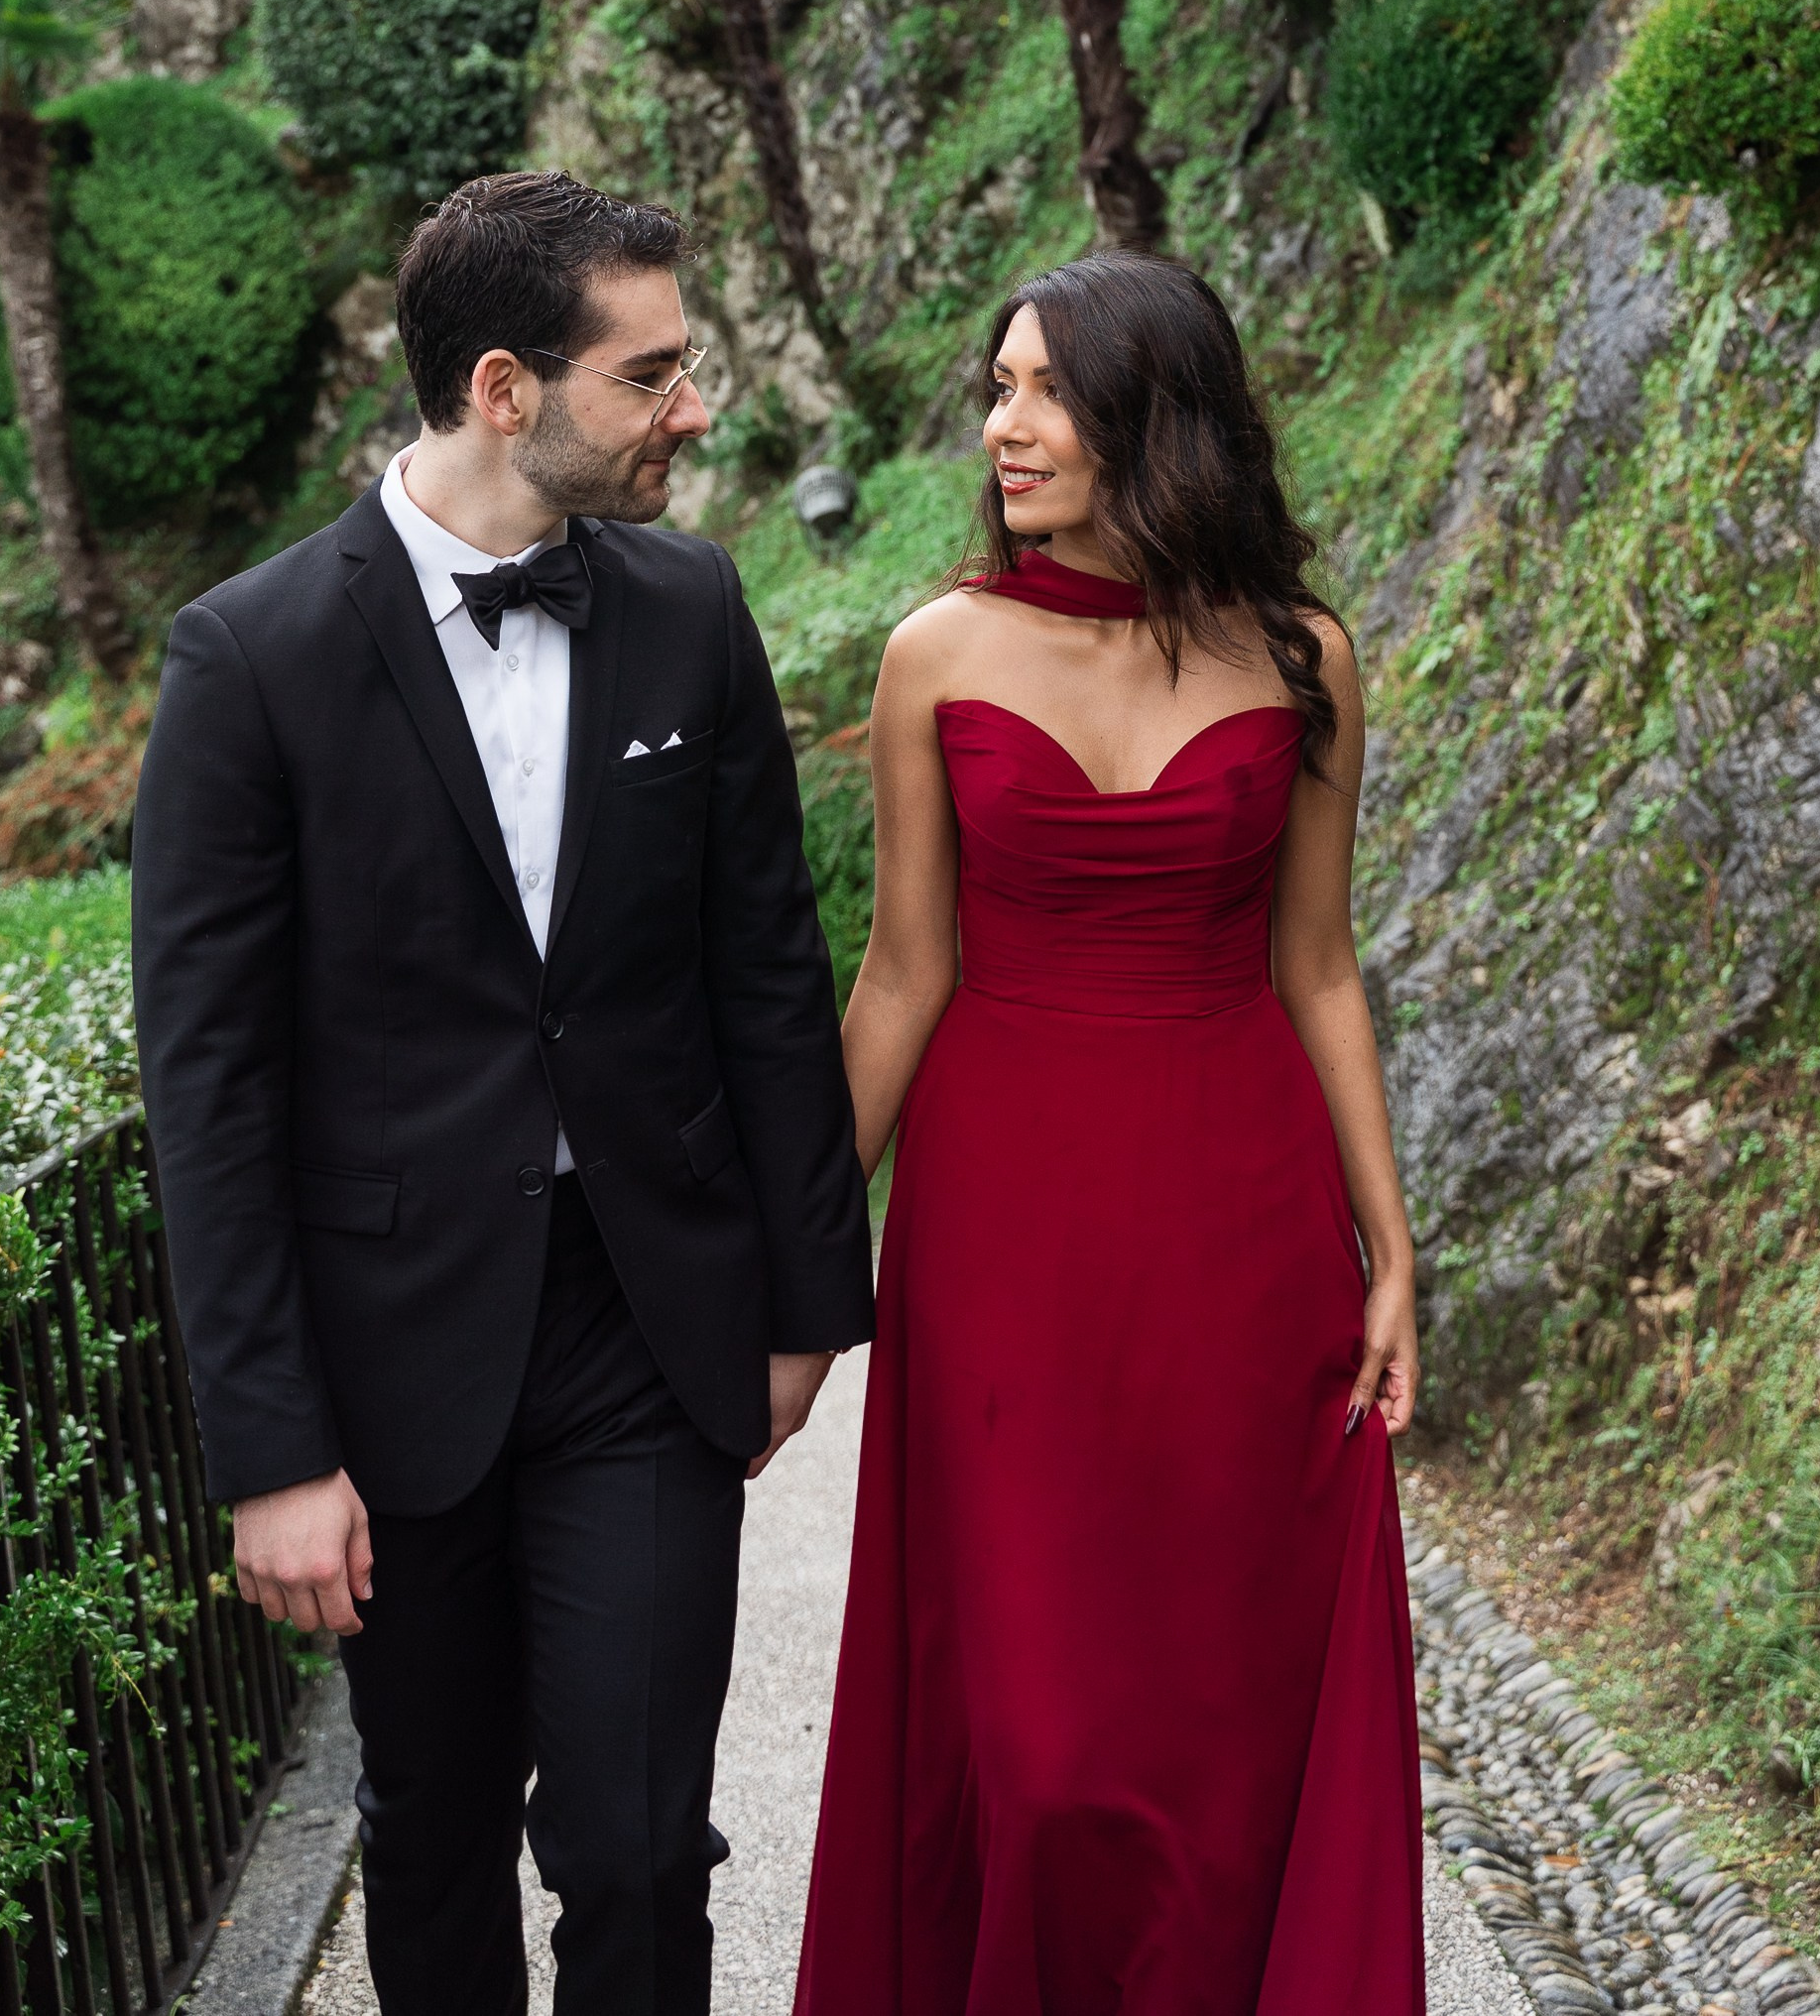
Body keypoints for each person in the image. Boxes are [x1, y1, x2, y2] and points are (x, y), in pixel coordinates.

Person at [132, 172, 873, 2016]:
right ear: (502, 388)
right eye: (654, 374)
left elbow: (766, 972)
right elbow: (208, 1085)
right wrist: (274, 1451)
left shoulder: (696, 608)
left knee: (638, 1843)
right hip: (393, 1363)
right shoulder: (250, 658)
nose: (694, 411)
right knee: (435, 1831)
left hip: (647, 1326)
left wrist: (805, 1304)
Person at [796, 249, 1425, 2013]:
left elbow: (1319, 967)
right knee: (1044, 1741)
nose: (1002, 425)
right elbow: (905, 974)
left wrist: (1390, 1248)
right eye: (996, 388)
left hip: (1241, 1224)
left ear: (1157, 413)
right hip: (1003, 1232)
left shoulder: (1305, 657)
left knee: (1216, 1716)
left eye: (1044, 389)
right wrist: (784, 1257)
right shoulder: (934, 653)